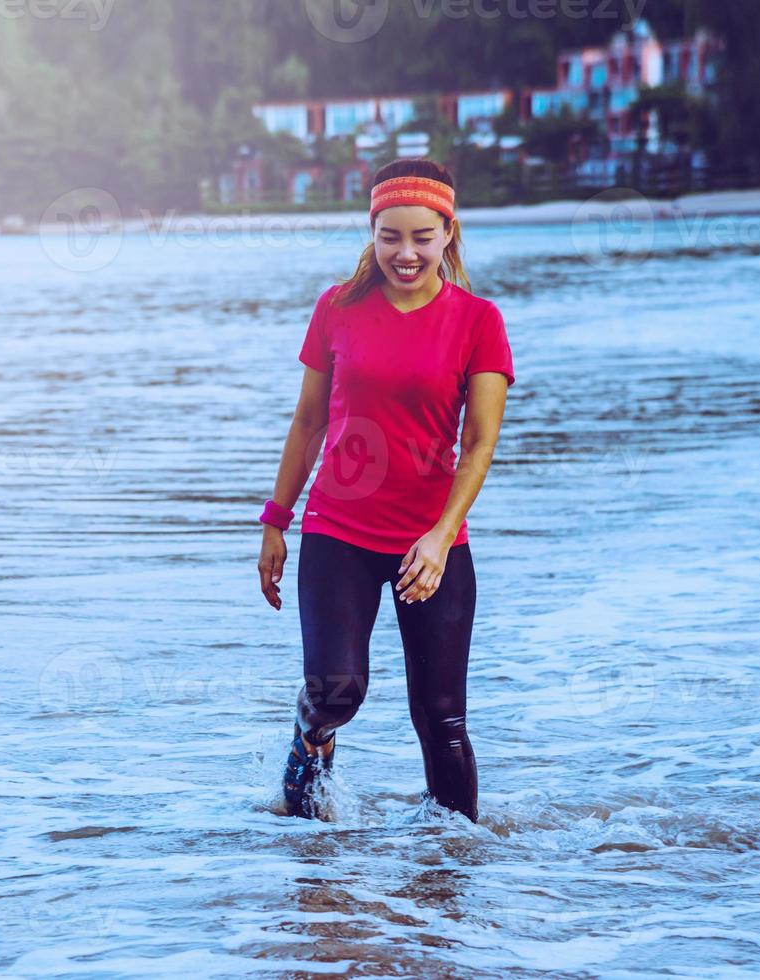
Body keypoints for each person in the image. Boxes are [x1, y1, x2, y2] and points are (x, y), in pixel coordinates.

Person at [257, 158, 515, 823]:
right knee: (336, 689)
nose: (405, 252)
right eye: (390, 236)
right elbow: (308, 420)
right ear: (372, 233)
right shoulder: (336, 307)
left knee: (442, 720)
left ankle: (451, 878)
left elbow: (478, 442)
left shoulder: (477, 320)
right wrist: (274, 520)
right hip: (337, 529)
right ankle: (311, 738)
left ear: (447, 235)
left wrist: (437, 536)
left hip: (430, 544)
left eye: (421, 237)